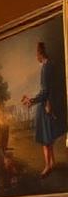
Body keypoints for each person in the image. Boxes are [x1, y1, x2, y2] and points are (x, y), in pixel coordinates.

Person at [20, 40, 66, 178]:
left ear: (40, 54)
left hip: (46, 108)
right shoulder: (51, 65)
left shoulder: (46, 68)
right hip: (49, 105)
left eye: (37, 54)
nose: (36, 57)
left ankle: (47, 166)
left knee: (46, 140)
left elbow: (45, 91)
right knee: (48, 139)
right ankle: (52, 163)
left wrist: (31, 101)